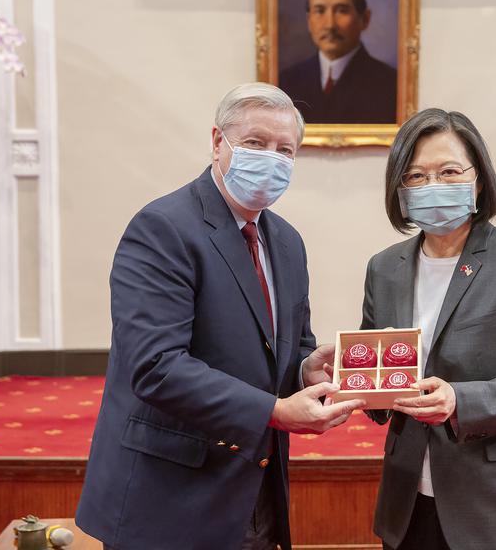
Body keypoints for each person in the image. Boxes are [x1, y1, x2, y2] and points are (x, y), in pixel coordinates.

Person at [76, 82, 365, 550]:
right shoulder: (163, 228)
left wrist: (305, 370)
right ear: (217, 142)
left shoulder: (287, 242)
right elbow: (155, 367)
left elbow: (282, 348)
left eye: (285, 150)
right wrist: (276, 410)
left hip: (256, 491)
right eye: (255, 144)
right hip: (170, 498)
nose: (271, 158)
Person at [362, 108, 496, 550]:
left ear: (478, 179)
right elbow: (381, 383)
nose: (432, 186)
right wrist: (356, 382)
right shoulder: (385, 268)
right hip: (410, 503)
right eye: (416, 176)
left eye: (448, 171)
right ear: (400, 190)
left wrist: (461, 400)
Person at [279, 0, 397, 124]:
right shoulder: (286, 82)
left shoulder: (390, 85)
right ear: (309, 20)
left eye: (342, 10)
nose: (330, 25)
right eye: (320, 11)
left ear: (365, 19)